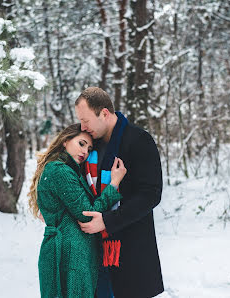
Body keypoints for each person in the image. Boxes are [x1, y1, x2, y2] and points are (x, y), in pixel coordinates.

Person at [75, 87, 164, 298]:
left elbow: (151, 194)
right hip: (93, 251)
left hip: (130, 249)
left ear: (104, 113)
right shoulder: (88, 145)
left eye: (86, 120)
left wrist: (108, 221)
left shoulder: (139, 140)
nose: (82, 126)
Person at [28, 123, 127, 298]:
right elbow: (88, 215)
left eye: (89, 149)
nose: (85, 152)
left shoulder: (61, 169)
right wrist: (114, 184)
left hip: (70, 252)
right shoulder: (60, 171)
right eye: (81, 144)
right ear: (65, 141)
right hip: (70, 255)